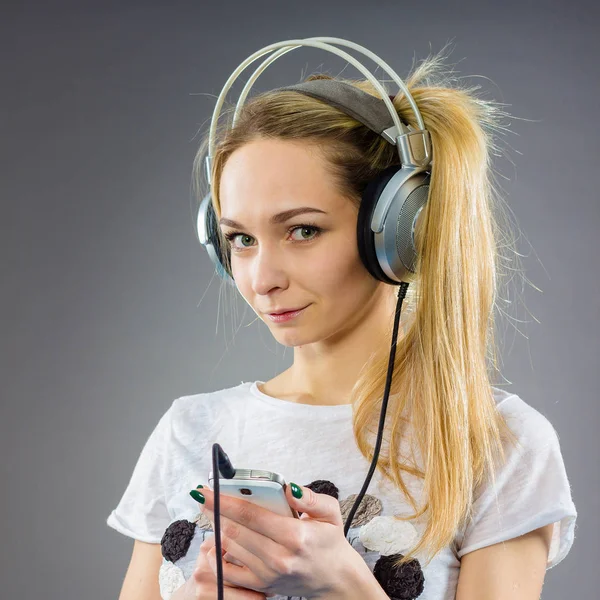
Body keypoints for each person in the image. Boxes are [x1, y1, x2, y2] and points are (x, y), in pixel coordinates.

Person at [107, 47, 578, 600]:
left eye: (302, 230)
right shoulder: (189, 430)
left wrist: (344, 587)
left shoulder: (496, 444)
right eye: (241, 238)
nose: (262, 278)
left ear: (399, 230)